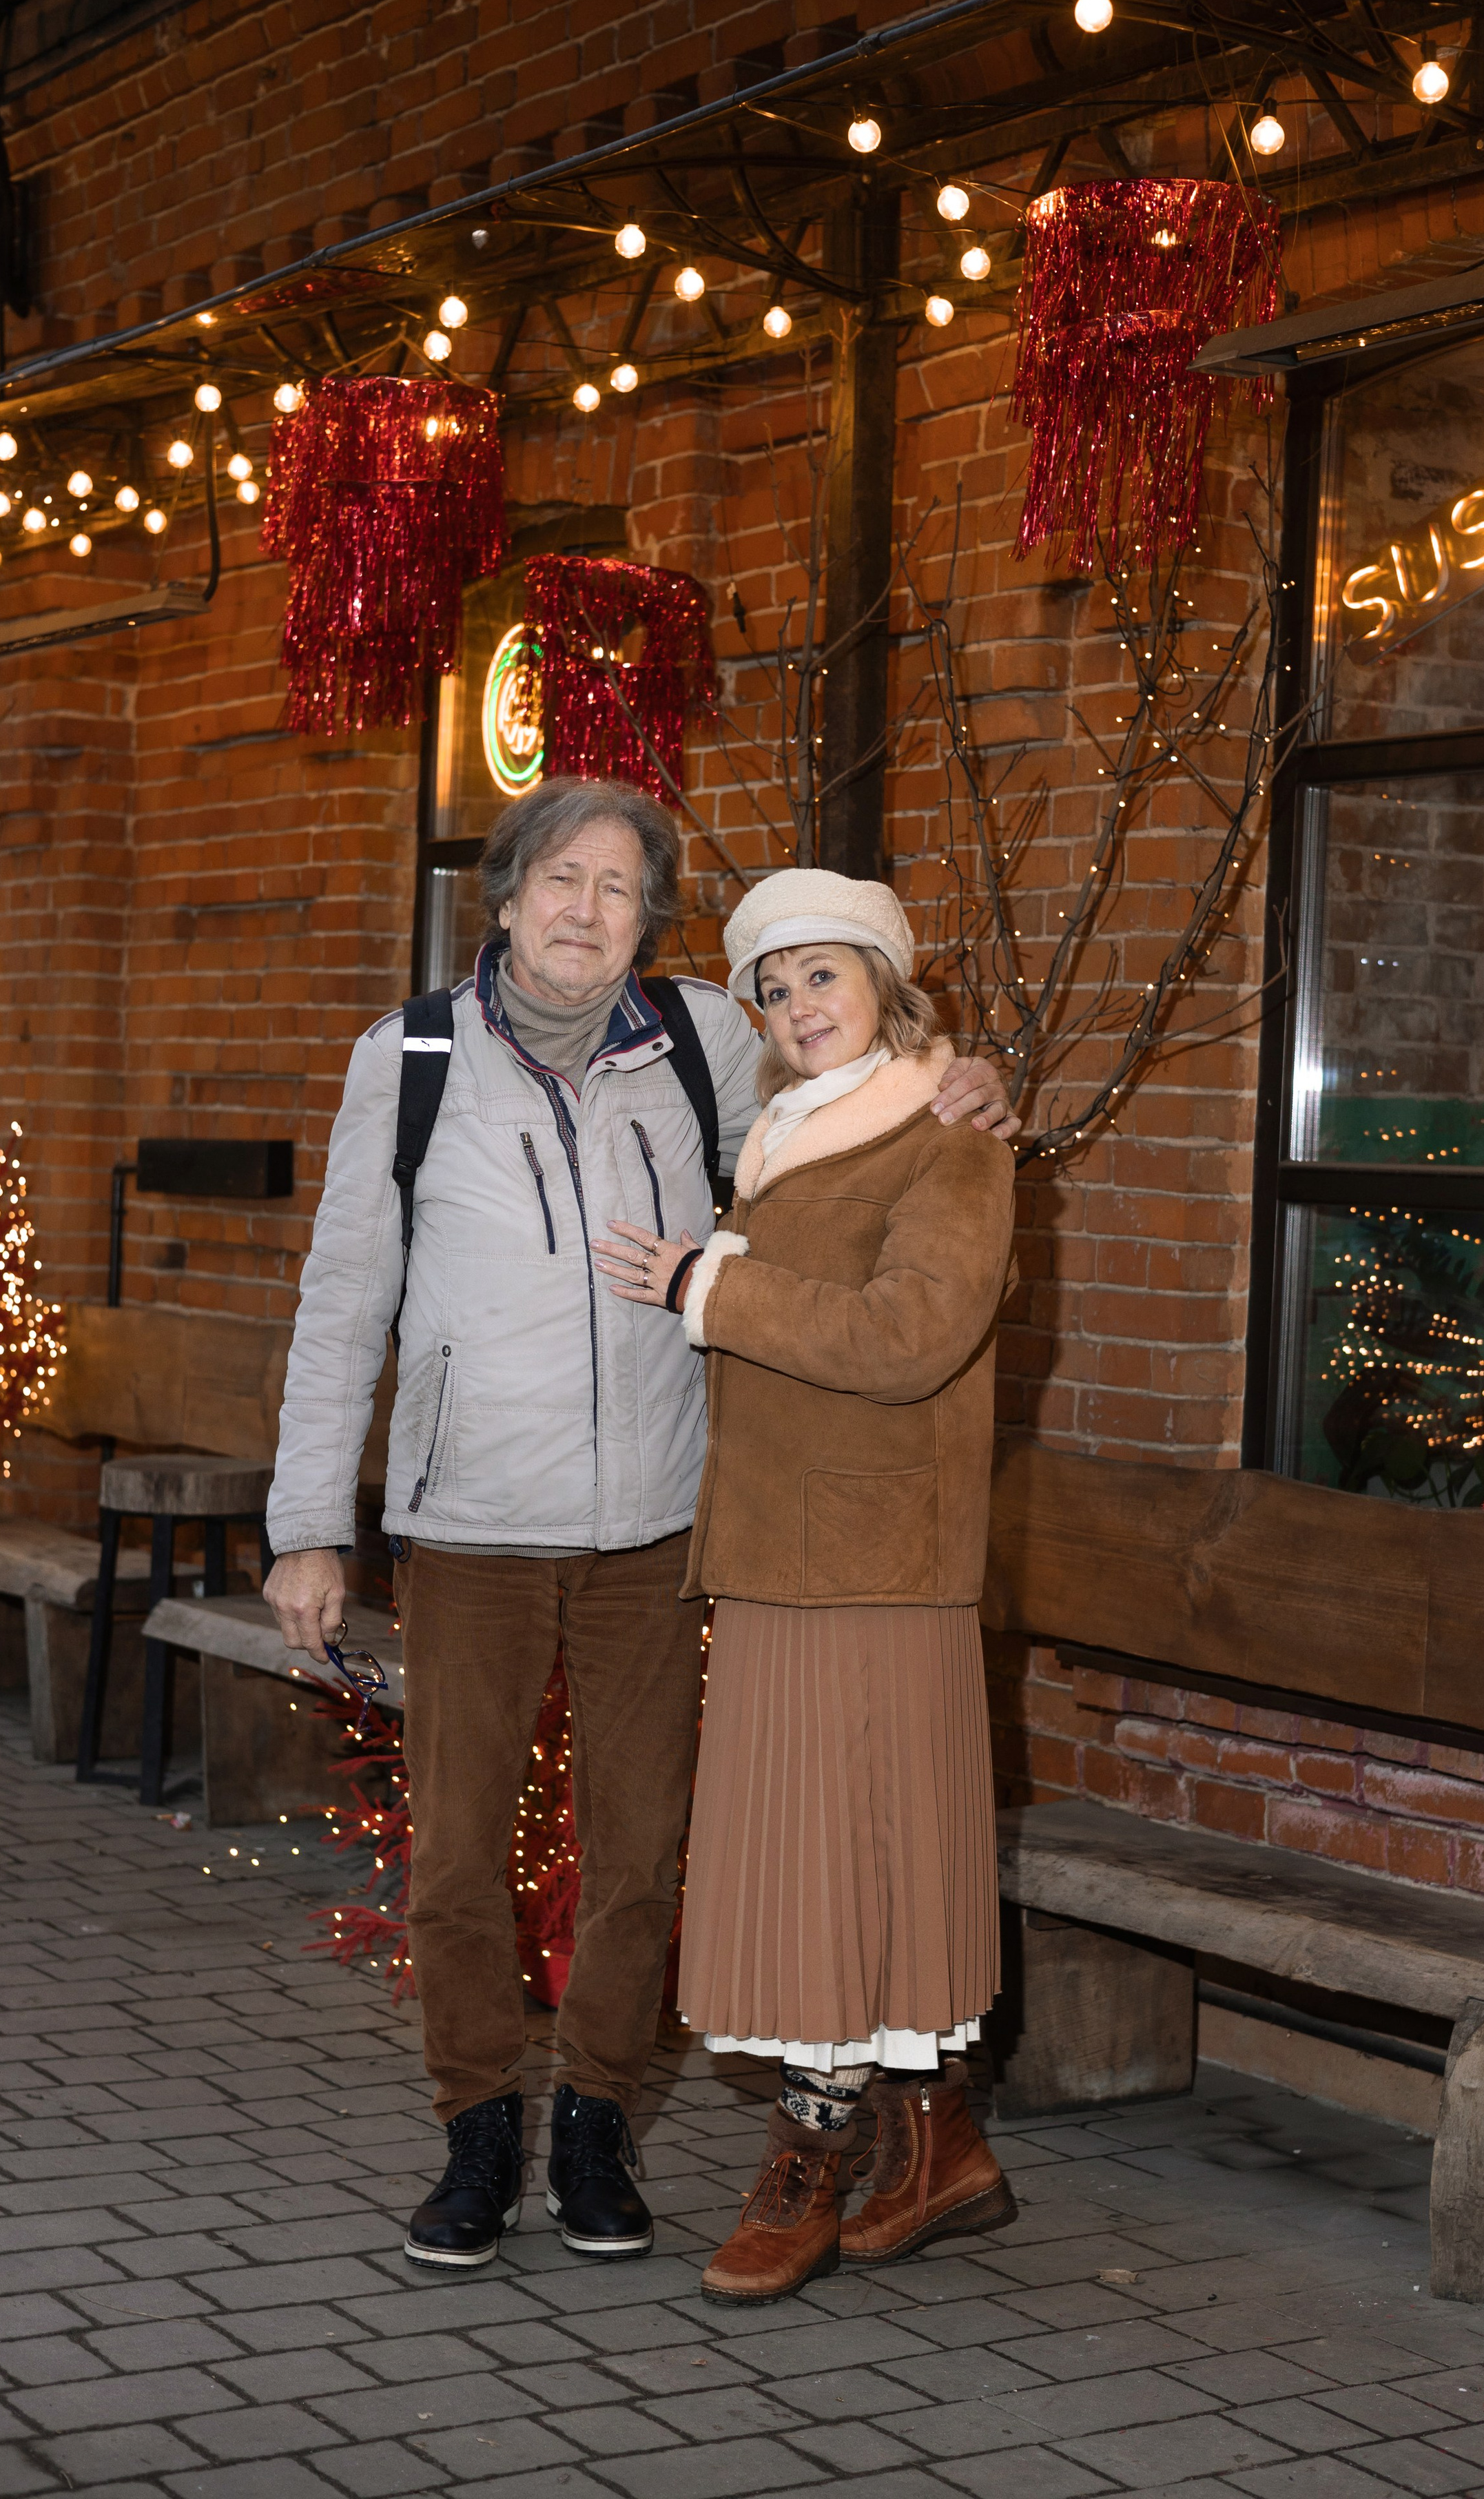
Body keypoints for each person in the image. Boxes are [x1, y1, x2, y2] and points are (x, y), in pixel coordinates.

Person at [262, 778, 1018, 2273]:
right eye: (560, 878)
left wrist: (978, 1078)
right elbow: (344, 1298)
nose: (584, 910)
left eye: (617, 889)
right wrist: (304, 1522)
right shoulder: (410, 1057)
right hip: (470, 1523)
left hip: (659, 1530)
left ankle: (599, 2125)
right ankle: (480, 2132)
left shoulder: (703, 1038)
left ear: (645, 923)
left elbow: (848, 1101)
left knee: (637, 1855)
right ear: (506, 893)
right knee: (459, 1860)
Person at [594, 866, 1018, 2304]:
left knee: (840, 1862)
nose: (792, 1006)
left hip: (874, 1563)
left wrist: (706, 1286)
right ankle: (936, 2140)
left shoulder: (943, 1134)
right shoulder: (785, 1132)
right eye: (771, 989)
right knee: (851, 1850)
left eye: (819, 975)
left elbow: (908, 1336)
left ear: (886, 985)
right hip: (785, 1554)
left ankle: (814, 2149)